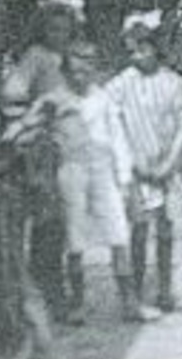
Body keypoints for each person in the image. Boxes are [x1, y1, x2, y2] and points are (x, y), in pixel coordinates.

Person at [9, 31, 131, 327]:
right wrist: (16, 134)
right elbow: (27, 123)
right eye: (75, 70)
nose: (81, 76)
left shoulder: (103, 98)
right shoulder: (54, 99)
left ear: (94, 70)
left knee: (118, 232)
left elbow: (118, 138)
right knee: (76, 239)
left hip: (102, 168)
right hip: (72, 170)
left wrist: (125, 177)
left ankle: (129, 299)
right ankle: (77, 303)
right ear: (65, 72)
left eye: (87, 70)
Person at [0, 0, 83, 320]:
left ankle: (54, 291)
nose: (58, 36)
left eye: (64, 30)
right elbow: (12, 91)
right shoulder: (36, 57)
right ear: (42, 31)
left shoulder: (72, 59)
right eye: (52, 30)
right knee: (48, 221)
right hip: (44, 147)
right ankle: (47, 295)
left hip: (72, 147)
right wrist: (38, 110)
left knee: (64, 224)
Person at [105, 11, 182, 319]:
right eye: (132, 49)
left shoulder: (172, 82)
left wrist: (170, 162)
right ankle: (137, 292)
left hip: (165, 164)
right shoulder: (120, 85)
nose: (138, 55)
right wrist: (129, 163)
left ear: (156, 47)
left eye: (144, 48)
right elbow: (112, 126)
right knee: (138, 227)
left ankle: (165, 288)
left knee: (165, 226)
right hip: (135, 166)